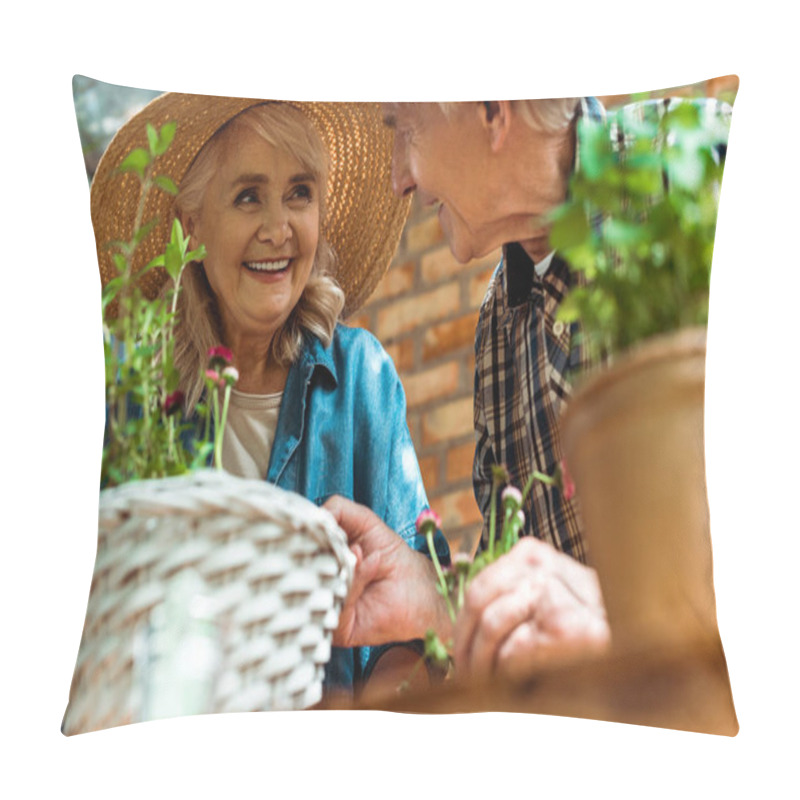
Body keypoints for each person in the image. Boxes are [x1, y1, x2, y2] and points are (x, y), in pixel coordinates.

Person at [328, 95, 730, 684]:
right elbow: (540, 603)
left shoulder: (699, 162)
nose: (398, 179)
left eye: (406, 130)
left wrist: (624, 621)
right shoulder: (498, 321)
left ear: (495, 110)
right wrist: (432, 596)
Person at [91, 93, 449, 700]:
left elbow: (418, 636)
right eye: (248, 196)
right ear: (192, 226)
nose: (278, 228)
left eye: (300, 193)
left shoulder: (360, 376)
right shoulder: (132, 394)